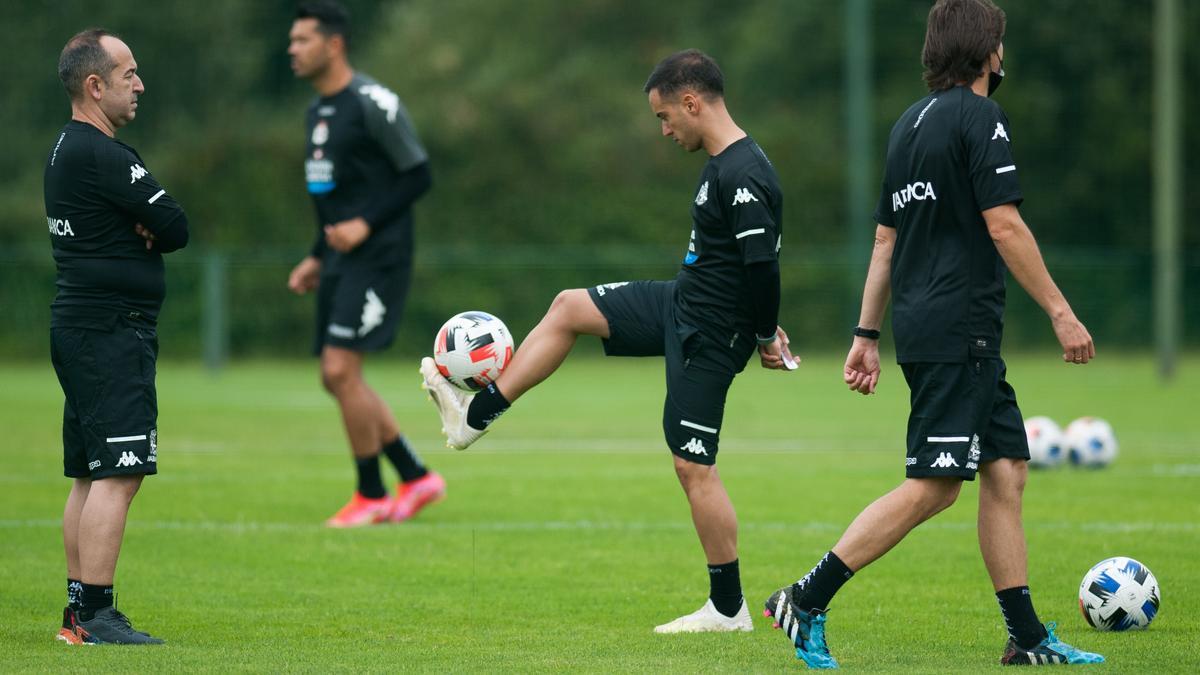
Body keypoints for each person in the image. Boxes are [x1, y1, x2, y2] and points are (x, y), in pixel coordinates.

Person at [762, 0, 1104, 668]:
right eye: (1000, 44)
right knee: (935, 485)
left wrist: (866, 331)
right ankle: (805, 598)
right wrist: (1061, 311)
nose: (1003, 55)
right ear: (986, 52)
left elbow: (886, 242)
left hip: (931, 326)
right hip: (959, 329)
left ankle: (1027, 637)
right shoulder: (982, 118)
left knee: (1005, 470)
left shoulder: (906, 126)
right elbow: (1003, 224)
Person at [420, 49, 796, 633]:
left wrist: (764, 332)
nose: (665, 129)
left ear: (692, 103)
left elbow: (763, 268)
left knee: (693, 465)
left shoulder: (745, 173)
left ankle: (728, 609)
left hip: (711, 333)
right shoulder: (723, 165)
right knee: (570, 306)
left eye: (665, 117)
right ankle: (476, 417)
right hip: (680, 304)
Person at [45, 28, 190, 645]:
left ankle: (79, 611)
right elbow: (176, 225)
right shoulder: (104, 154)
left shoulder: (65, 150)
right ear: (94, 85)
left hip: (83, 327)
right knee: (119, 472)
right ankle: (98, 617)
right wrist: (146, 226)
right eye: (128, 73)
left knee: (91, 472)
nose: (140, 83)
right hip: (109, 331)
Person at [286, 0, 444, 527]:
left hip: (379, 257)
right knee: (337, 378)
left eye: (303, 39)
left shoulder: (373, 101)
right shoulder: (316, 113)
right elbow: (332, 202)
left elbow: (418, 175)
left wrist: (365, 226)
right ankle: (415, 476)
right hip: (339, 259)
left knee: (339, 369)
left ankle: (372, 493)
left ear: (334, 45)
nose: (292, 49)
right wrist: (315, 255)